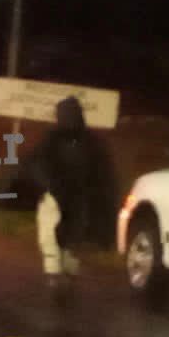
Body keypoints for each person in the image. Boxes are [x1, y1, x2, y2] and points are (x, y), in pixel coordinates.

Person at [27, 96, 118, 304]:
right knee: (67, 235)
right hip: (70, 195)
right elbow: (104, 173)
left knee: (54, 234)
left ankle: (57, 275)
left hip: (64, 195)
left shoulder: (56, 137)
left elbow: (37, 163)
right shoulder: (89, 140)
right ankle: (64, 274)